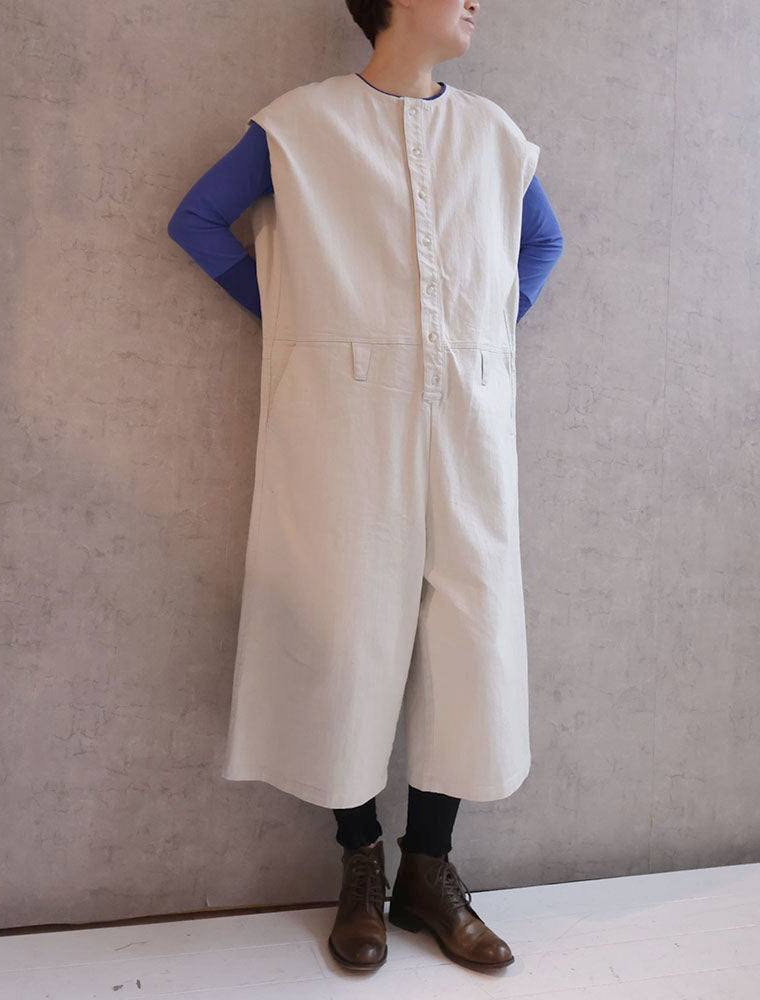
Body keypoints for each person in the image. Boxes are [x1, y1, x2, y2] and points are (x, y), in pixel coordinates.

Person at [168, 0, 563, 974]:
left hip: (467, 422)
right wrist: (294, 317)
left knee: (466, 631)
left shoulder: (494, 137)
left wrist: (483, 330)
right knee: (345, 629)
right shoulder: (300, 125)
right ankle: (360, 863)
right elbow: (198, 221)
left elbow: (541, 245)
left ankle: (429, 869)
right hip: (340, 420)